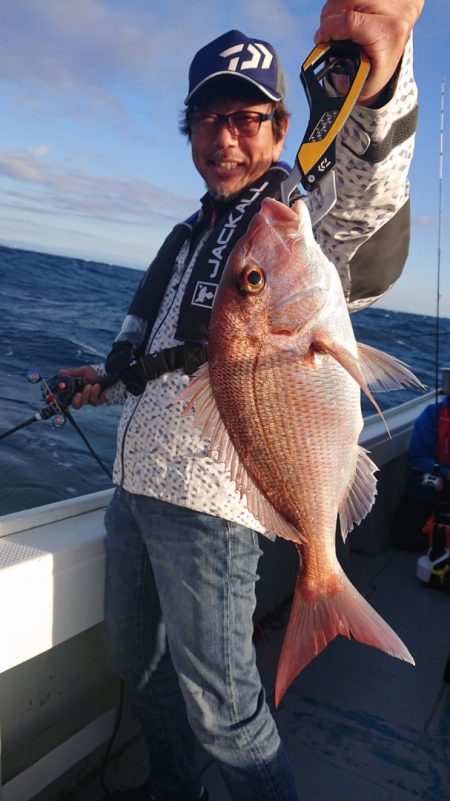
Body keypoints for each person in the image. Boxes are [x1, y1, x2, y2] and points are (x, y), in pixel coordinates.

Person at [63, 3, 424, 799]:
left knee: (225, 710)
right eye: (208, 119)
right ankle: (171, 784)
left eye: (247, 118)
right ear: (189, 131)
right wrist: (100, 378)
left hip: (215, 508)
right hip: (136, 490)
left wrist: (384, 78)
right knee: (137, 662)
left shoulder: (298, 221)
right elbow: (173, 356)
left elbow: (366, 195)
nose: (227, 138)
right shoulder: (192, 235)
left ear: (279, 124)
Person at [392, 394, 450, 553]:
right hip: (437, 482)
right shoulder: (433, 414)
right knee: (404, 537)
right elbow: (417, 458)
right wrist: (445, 473)